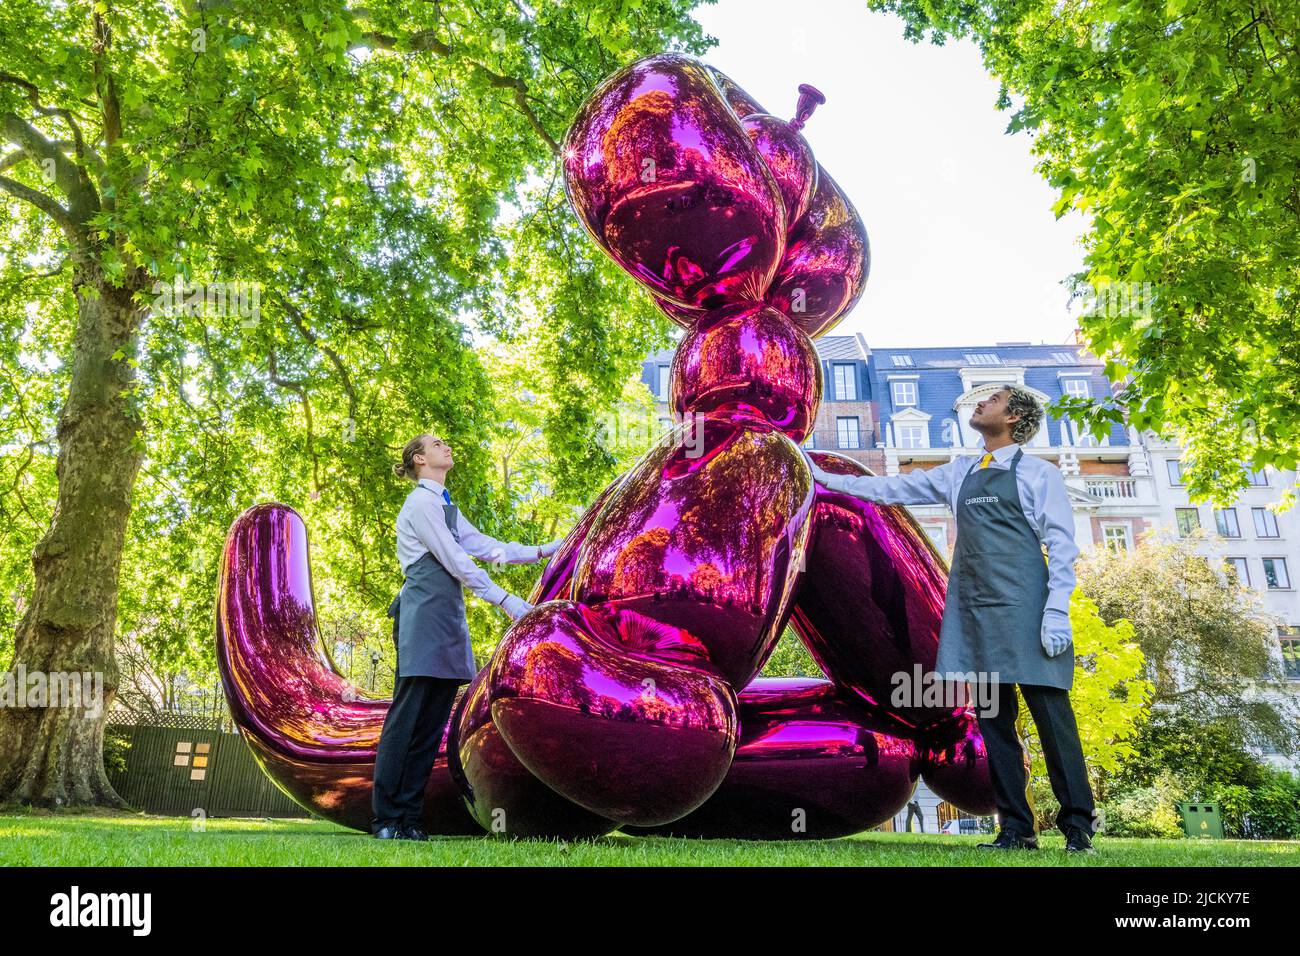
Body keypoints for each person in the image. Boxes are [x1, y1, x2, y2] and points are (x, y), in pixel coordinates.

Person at [800, 384, 1096, 853]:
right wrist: (826, 477)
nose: (979, 404)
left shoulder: (1039, 475)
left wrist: (1056, 609)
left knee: (1052, 722)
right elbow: (890, 489)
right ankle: (1016, 830)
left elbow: (1062, 544)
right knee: (995, 725)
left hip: (1029, 609)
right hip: (976, 611)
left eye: (992, 400)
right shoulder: (960, 472)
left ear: (1015, 418)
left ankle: (1078, 827)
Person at [371, 432, 564, 841]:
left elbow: (487, 547)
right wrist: (507, 601)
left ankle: (408, 819)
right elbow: (458, 560)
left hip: (447, 621)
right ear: (419, 460)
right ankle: (385, 819)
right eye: (436, 443)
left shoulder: (445, 506)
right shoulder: (421, 503)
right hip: (422, 618)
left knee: (431, 726)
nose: (447, 445)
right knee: (406, 720)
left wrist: (546, 551)